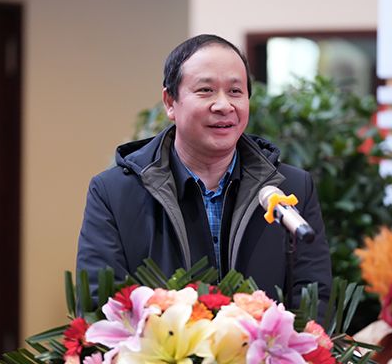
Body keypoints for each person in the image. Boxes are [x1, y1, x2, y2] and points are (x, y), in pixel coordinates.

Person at [76, 34, 332, 310]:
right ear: (170, 102)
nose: (224, 105)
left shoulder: (292, 188)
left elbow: (314, 301)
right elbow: (100, 307)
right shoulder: (114, 193)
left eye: (235, 91)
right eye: (206, 90)